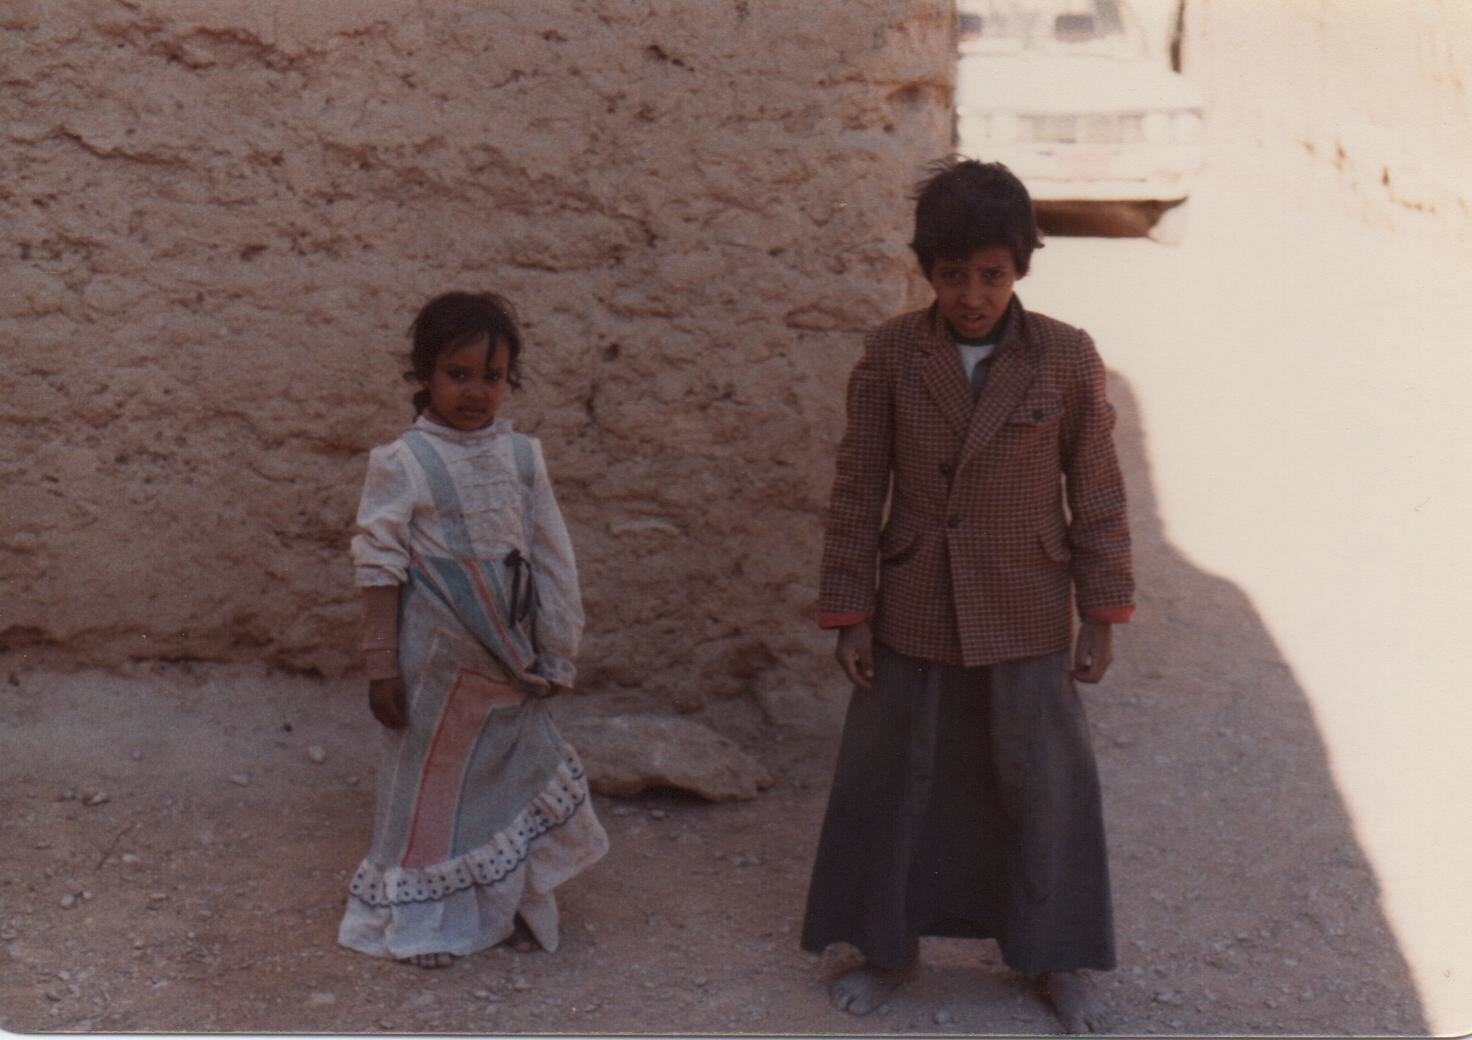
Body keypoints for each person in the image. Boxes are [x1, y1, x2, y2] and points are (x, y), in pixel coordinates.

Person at [799, 158, 1134, 1034]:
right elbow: (856, 486)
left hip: (1025, 604)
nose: (973, 295)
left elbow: (1096, 493)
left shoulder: (1067, 357)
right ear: (928, 272)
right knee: (896, 780)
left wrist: (1101, 611)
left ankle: (1053, 958)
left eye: (991, 274)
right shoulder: (891, 354)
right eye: (954, 276)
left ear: (1021, 264)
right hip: (914, 600)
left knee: (1042, 783)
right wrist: (852, 611)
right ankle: (886, 947)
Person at [338, 290, 608, 968]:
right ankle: (425, 923)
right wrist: (381, 667)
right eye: (458, 374)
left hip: (508, 658)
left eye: (491, 377)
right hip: (434, 667)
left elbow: (553, 558)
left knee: (513, 778)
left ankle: (519, 903)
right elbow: (378, 567)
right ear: (425, 375)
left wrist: (558, 648)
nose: (475, 391)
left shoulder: (522, 458)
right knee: (431, 790)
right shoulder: (402, 462)